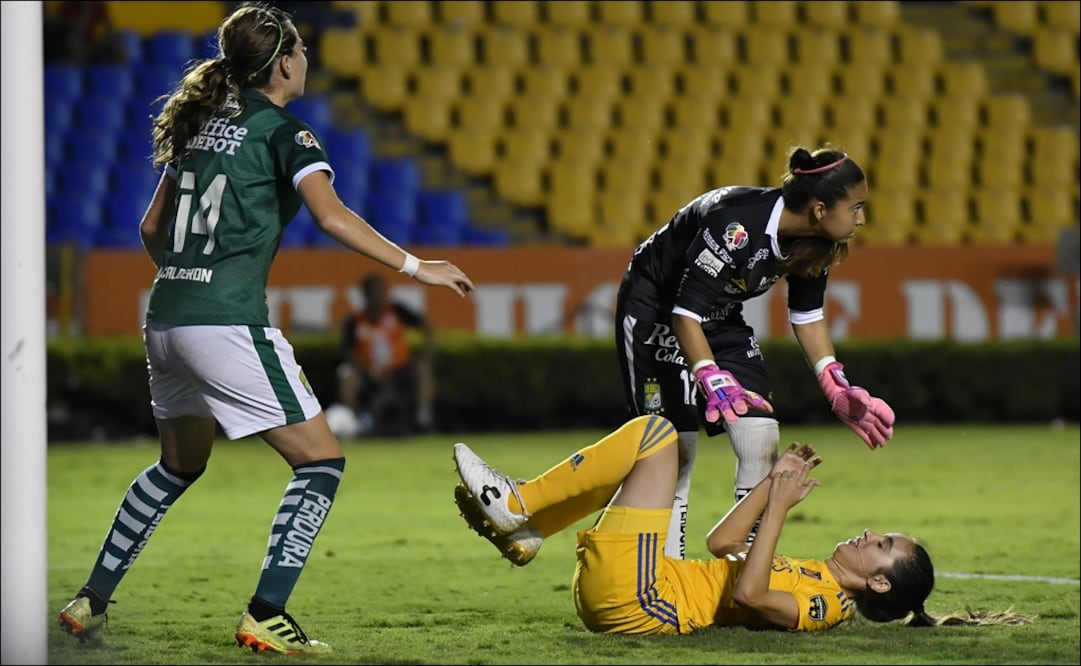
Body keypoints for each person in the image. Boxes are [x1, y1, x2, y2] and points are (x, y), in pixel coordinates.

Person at [55, 2, 474, 656]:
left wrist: (189, 284)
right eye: (301, 48)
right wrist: (417, 266)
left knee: (177, 465)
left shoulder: (196, 126)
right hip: (225, 321)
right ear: (283, 61)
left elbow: (148, 229)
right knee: (322, 461)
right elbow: (332, 218)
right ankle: (265, 612)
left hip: (165, 315)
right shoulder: (286, 133)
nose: (306, 58)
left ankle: (90, 601)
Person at [451, 415, 1031, 633]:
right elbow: (722, 542)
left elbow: (752, 596)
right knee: (650, 448)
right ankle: (528, 529)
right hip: (639, 587)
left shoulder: (823, 608)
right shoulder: (812, 572)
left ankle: (520, 503)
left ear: (879, 582)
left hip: (645, 597)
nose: (869, 533)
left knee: (654, 438)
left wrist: (777, 509)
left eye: (882, 546)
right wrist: (771, 485)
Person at [613, 145, 895, 559]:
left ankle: (744, 571)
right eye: (856, 207)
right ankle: (664, 574)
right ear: (820, 209)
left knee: (760, 436)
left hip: (718, 316)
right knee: (673, 450)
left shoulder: (816, 242)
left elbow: (807, 313)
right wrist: (709, 375)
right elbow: (684, 315)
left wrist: (834, 383)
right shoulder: (736, 225)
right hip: (655, 308)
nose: (862, 218)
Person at [336, 272, 435, 436]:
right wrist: (369, 368)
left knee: (423, 370)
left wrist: (428, 355)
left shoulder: (397, 311)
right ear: (365, 294)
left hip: (400, 369)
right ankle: (355, 421)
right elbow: (349, 352)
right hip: (368, 372)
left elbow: (426, 326)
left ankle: (423, 418)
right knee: (346, 374)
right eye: (373, 292)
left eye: (381, 291)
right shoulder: (354, 321)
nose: (378, 297)